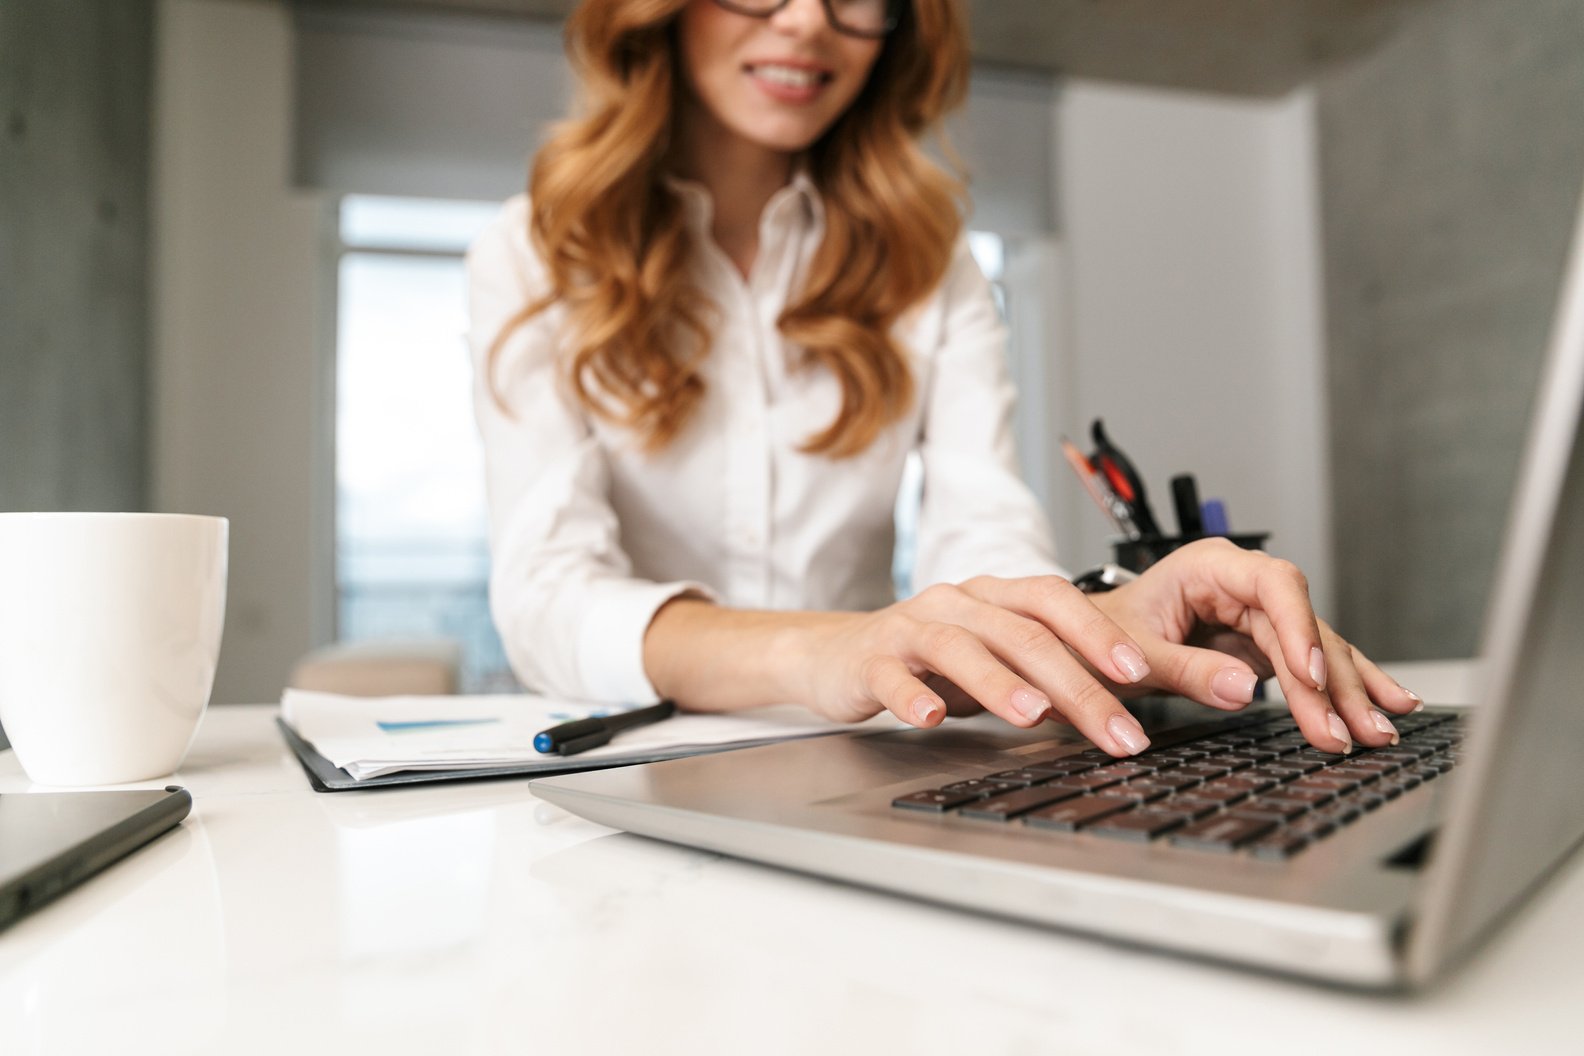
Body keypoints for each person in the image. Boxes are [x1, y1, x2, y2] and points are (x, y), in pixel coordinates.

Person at [467, 0, 1421, 758]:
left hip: (862, 759)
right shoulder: (531, 250)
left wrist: (1108, 629)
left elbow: (985, 530)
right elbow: (548, 594)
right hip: (620, 771)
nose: (807, 19)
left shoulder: (930, 263)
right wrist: (828, 648)